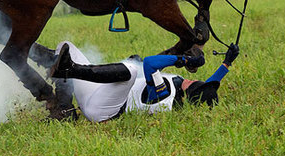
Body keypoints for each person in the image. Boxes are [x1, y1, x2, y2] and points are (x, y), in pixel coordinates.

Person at [47, 41, 240, 123]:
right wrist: (227, 62)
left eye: (197, 84)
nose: (197, 79)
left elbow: (150, 63)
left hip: (102, 110)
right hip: (99, 92)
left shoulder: (165, 94)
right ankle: (65, 108)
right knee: (66, 46)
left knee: (131, 70)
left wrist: (185, 60)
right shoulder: (183, 88)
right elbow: (210, 84)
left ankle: (68, 70)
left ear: (190, 94)